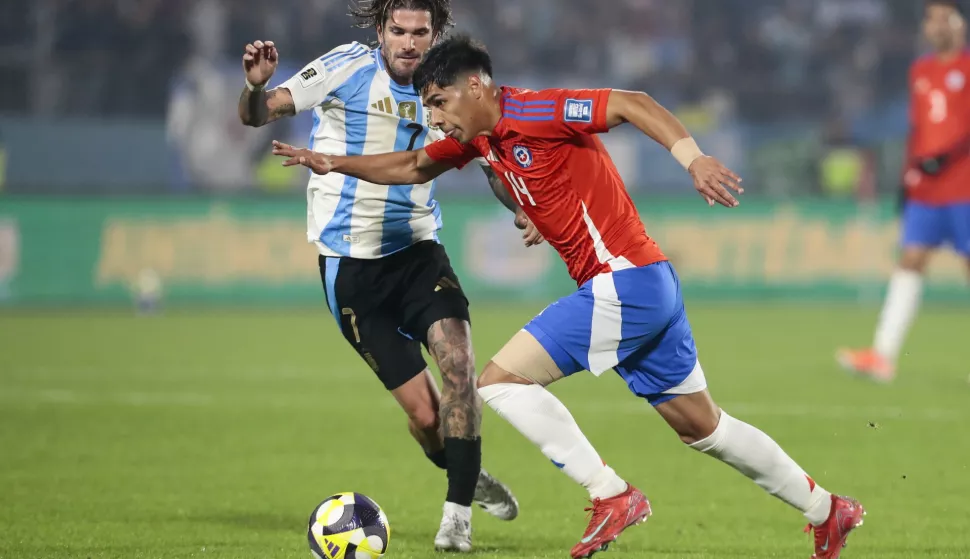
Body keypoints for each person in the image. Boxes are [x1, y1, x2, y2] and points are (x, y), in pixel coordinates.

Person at [271, 35, 867, 559]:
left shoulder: (538, 109)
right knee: (702, 426)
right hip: (643, 286)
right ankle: (827, 511)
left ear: (476, 86)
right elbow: (412, 164)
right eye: (427, 105)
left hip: (625, 281)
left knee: (498, 382)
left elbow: (634, 104)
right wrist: (331, 161)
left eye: (440, 102)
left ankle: (611, 494)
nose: (436, 116)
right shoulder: (484, 141)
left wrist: (693, 158)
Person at [237, 4, 533, 551]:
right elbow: (259, 114)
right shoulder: (346, 68)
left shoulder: (447, 87)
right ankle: (465, 471)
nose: (409, 43)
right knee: (426, 418)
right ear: (380, 32)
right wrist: (256, 88)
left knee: (460, 367)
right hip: (350, 271)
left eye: (421, 33)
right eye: (398, 31)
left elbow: (491, 161)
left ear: (435, 35)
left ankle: (457, 515)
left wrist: (521, 207)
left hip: (418, 252)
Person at [838, 0, 970, 382]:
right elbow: (919, 129)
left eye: (944, 18)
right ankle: (882, 356)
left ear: (960, 24)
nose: (936, 25)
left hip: (963, 188)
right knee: (910, 261)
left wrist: (943, 156)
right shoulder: (921, 71)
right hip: (926, 190)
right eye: (931, 19)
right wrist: (907, 177)